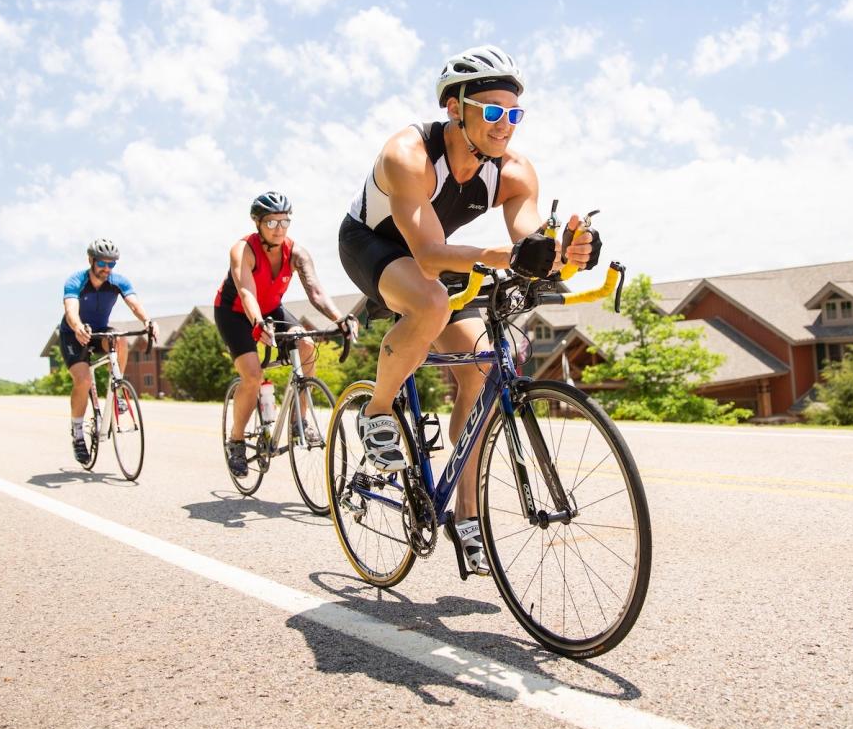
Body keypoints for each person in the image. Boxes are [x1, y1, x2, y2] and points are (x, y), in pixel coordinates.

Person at [337, 45, 598, 576]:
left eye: (515, 114)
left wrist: (565, 252)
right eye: (494, 112)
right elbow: (430, 256)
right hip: (374, 246)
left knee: (482, 365)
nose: (506, 126)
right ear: (455, 108)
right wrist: (500, 255)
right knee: (429, 301)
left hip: (438, 255)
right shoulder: (407, 154)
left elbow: (527, 241)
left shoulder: (516, 171)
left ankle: (467, 515)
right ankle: (378, 411)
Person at [216, 191, 357, 478]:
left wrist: (338, 317)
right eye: (271, 222)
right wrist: (257, 323)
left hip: (271, 310)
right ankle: (237, 441)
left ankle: (299, 421)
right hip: (235, 313)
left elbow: (315, 291)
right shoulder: (243, 250)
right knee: (253, 376)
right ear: (258, 223)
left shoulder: (296, 252)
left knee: (306, 344)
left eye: (284, 221)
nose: (279, 228)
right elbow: (246, 292)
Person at [58, 238, 153, 465]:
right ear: (91, 260)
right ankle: (78, 433)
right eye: (102, 263)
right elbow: (71, 309)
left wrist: (148, 321)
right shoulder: (76, 281)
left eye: (112, 264)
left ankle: (117, 389)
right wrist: (78, 326)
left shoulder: (117, 281)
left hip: (99, 331)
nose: (106, 269)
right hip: (74, 333)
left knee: (120, 340)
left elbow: (133, 303)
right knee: (82, 379)